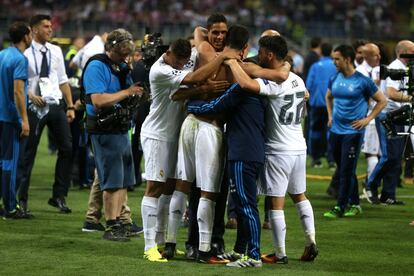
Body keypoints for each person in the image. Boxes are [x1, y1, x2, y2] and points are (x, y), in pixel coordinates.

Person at [140, 38, 238, 262]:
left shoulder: (186, 58)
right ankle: (148, 247)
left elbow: (179, 93)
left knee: (170, 188)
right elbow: (192, 80)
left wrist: (201, 40)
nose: (180, 66)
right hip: (158, 135)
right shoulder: (160, 70)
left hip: (177, 133)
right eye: (177, 62)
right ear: (168, 53)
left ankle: (163, 243)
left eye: (184, 62)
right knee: (155, 187)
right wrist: (220, 61)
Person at [180, 25, 266, 268]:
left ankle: (238, 250)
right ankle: (208, 245)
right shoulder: (209, 56)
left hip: (235, 142)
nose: (217, 37)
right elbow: (198, 31)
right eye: (214, 33)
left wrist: (193, 105)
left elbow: (215, 105)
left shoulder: (242, 73)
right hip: (239, 141)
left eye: (223, 34)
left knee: (231, 198)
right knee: (213, 193)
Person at [83, 28, 144, 241]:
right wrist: (127, 93)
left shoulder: (121, 67)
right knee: (111, 180)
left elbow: (130, 93)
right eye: (121, 54)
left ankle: (118, 221)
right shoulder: (97, 66)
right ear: (110, 48)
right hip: (103, 129)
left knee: (122, 179)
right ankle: (111, 225)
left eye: (127, 54)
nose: (125, 58)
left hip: (120, 127)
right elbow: (98, 100)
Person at [17, 14, 75, 214]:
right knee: (28, 154)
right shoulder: (24, 54)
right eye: (46, 26)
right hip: (34, 107)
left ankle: (58, 196)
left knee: (67, 148)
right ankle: (21, 199)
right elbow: (19, 83)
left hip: (55, 104)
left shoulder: (56, 50)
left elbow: (62, 80)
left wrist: (70, 106)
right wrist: (30, 95)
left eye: (51, 26)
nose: (50, 29)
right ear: (34, 30)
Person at [323, 45, 387, 218]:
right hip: (336, 130)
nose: (334, 62)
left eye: (337, 59)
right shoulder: (334, 78)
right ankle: (355, 204)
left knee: (345, 170)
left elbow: (382, 100)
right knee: (344, 168)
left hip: (353, 132)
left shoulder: (362, 80)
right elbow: (328, 96)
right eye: (333, 58)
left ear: (347, 59)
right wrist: (330, 115)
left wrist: (367, 119)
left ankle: (340, 206)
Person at [365, 40, 414, 205]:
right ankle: (370, 184)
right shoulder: (394, 68)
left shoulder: (405, 69)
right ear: (403, 52)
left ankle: (388, 194)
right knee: (389, 156)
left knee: (396, 157)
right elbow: (391, 93)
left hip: (399, 116)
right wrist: (411, 98)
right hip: (388, 116)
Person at [0, 22, 32, 219]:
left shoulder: (2, 55)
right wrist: (24, 120)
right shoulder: (20, 59)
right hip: (11, 118)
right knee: (10, 163)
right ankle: (11, 207)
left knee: (1, 162)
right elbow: (18, 91)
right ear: (26, 37)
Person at [306, 42, 337, 168]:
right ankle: (331, 160)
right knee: (331, 131)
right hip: (332, 104)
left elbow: (308, 84)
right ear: (330, 52)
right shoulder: (335, 66)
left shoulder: (315, 66)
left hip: (317, 103)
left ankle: (316, 159)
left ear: (321, 52)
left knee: (315, 131)